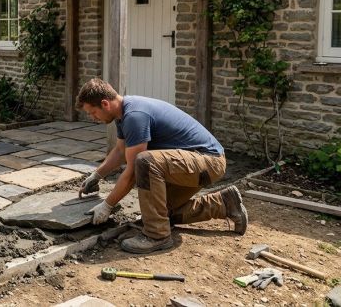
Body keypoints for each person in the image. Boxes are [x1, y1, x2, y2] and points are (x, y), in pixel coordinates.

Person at [75, 78, 248, 254]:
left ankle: (157, 236)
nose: (93, 118)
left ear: (105, 103)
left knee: (144, 161)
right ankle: (225, 204)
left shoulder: (134, 116)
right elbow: (120, 151)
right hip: (194, 163)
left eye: (93, 112)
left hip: (208, 161)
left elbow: (133, 171)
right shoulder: (122, 115)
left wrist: (107, 205)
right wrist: (97, 175)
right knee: (158, 214)